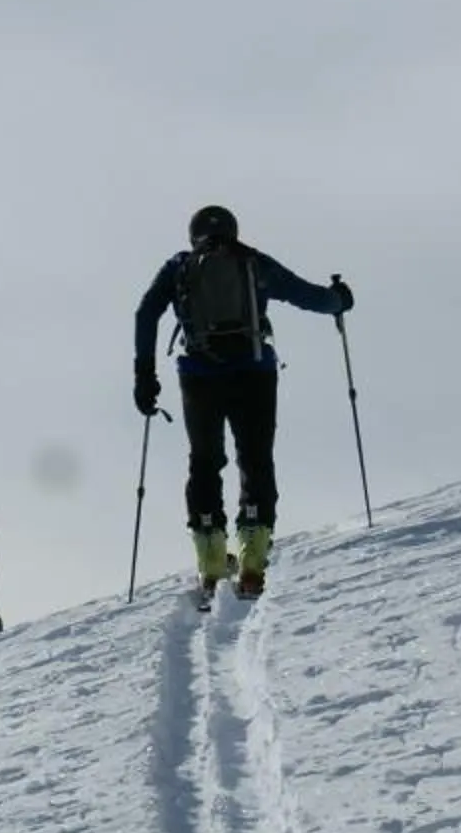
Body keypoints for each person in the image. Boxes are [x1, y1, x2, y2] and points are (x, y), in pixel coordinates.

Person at [133, 205, 351, 600]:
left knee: (204, 461)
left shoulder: (180, 266)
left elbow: (146, 313)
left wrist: (144, 377)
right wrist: (338, 300)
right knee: (255, 458)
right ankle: (252, 557)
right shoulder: (252, 262)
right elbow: (307, 296)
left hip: (198, 376)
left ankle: (212, 557)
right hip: (254, 372)